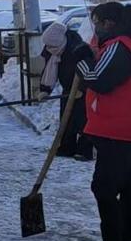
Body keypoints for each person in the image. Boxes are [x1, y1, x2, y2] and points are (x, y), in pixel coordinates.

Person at [77, 2, 131, 241]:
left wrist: (81, 59)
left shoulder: (121, 47)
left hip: (118, 130)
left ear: (109, 23)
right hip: (127, 128)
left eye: (96, 21)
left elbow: (97, 78)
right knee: (128, 186)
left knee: (105, 187)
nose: (94, 27)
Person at [39, 21, 94, 160]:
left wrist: (81, 88)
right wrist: (45, 90)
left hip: (83, 91)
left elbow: (90, 69)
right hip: (68, 89)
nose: (48, 48)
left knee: (82, 121)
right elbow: (48, 71)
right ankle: (66, 148)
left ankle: (84, 151)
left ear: (59, 41)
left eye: (50, 45)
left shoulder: (79, 49)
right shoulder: (54, 51)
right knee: (66, 120)